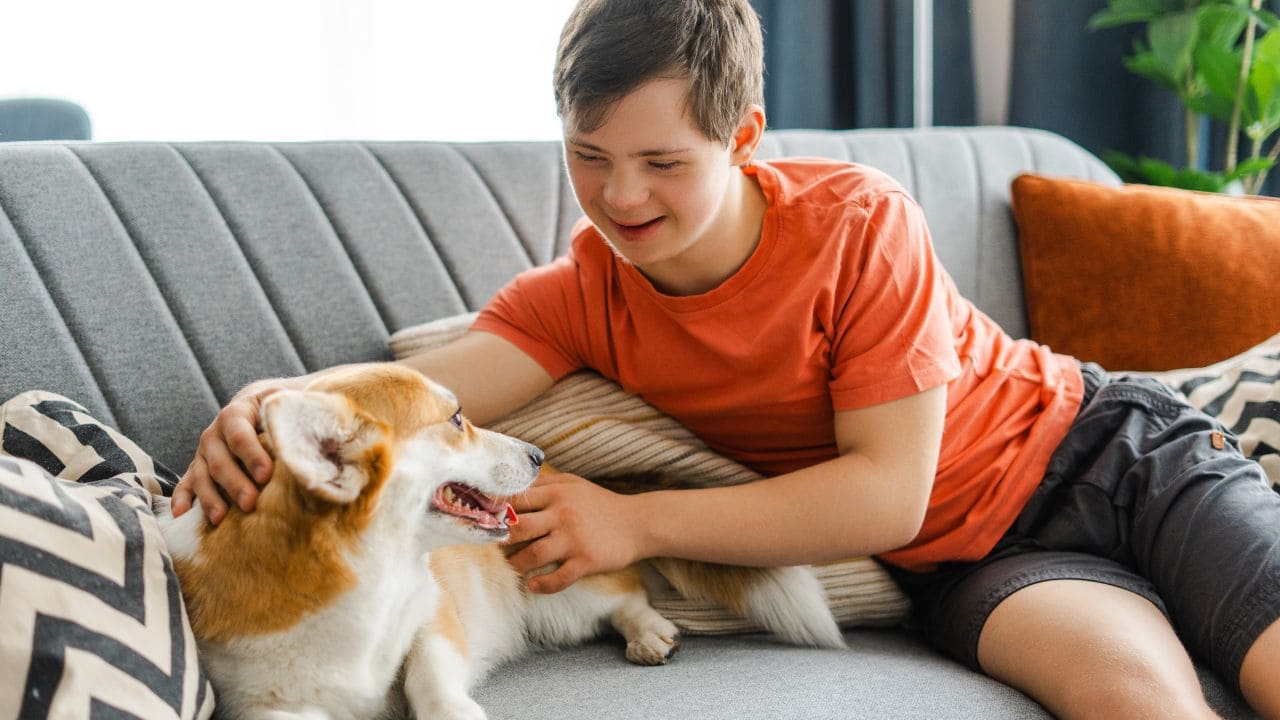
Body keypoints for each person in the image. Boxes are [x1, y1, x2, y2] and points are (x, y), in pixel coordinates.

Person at [173, 1, 1280, 717]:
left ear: (743, 136)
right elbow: (415, 403)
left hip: (1118, 455)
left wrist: (633, 519)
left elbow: (884, 491)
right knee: (1141, 702)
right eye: (588, 156)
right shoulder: (584, 297)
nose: (619, 197)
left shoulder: (859, 223)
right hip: (977, 560)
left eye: (662, 161)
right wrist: (265, 408)